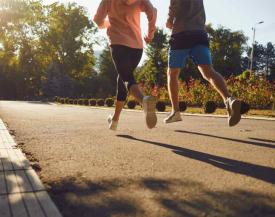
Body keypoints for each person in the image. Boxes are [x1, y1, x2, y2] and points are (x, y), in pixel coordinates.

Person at [165, 0, 241, 127]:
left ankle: (175, 111)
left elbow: (175, 4)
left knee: (172, 73)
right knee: (209, 72)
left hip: (181, 34)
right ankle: (229, 99)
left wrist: (169, 18)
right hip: (200, 33)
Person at [94, 0, 158, 130]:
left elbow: (98, 20)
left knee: (127, 78)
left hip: (118, 44)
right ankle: (115, 120)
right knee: (122, 78)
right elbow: (153, 11)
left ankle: (143, 100)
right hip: (137, 47)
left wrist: (106, 24)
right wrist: (150, 34)